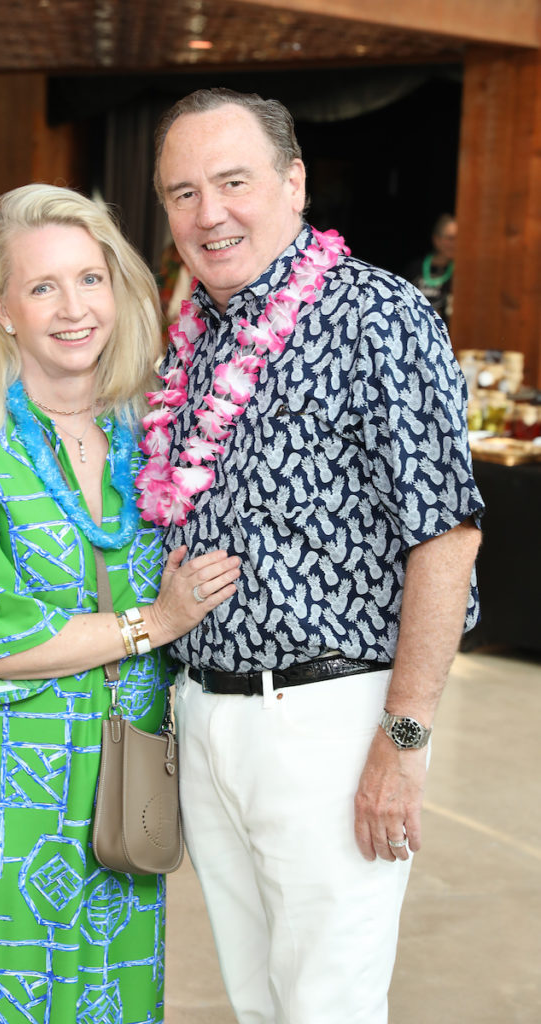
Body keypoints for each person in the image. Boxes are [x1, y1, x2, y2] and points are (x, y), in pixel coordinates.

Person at [0, 184, 240, 1024]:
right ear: (2, 312)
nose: (74, 309)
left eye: (89, 279)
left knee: (96, 996)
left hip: (120, 789)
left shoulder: (154, 441)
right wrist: (156, 622)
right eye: (43, 287)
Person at [141, 89, 484, 1024]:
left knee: (327, 1004)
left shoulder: (378, 314)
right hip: (205, 712)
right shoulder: (195, 335)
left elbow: (446, 534)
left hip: (327, 719)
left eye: (233, 182)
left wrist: (402, 740)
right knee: (258, 1002)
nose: (208, 213)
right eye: (182, 192)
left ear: (293, 183)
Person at [406, 213, 457, 326]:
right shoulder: (415, 268)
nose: (455, 243)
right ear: (436, 239)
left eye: (459, 239)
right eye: (450, 238)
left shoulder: (460, 272)